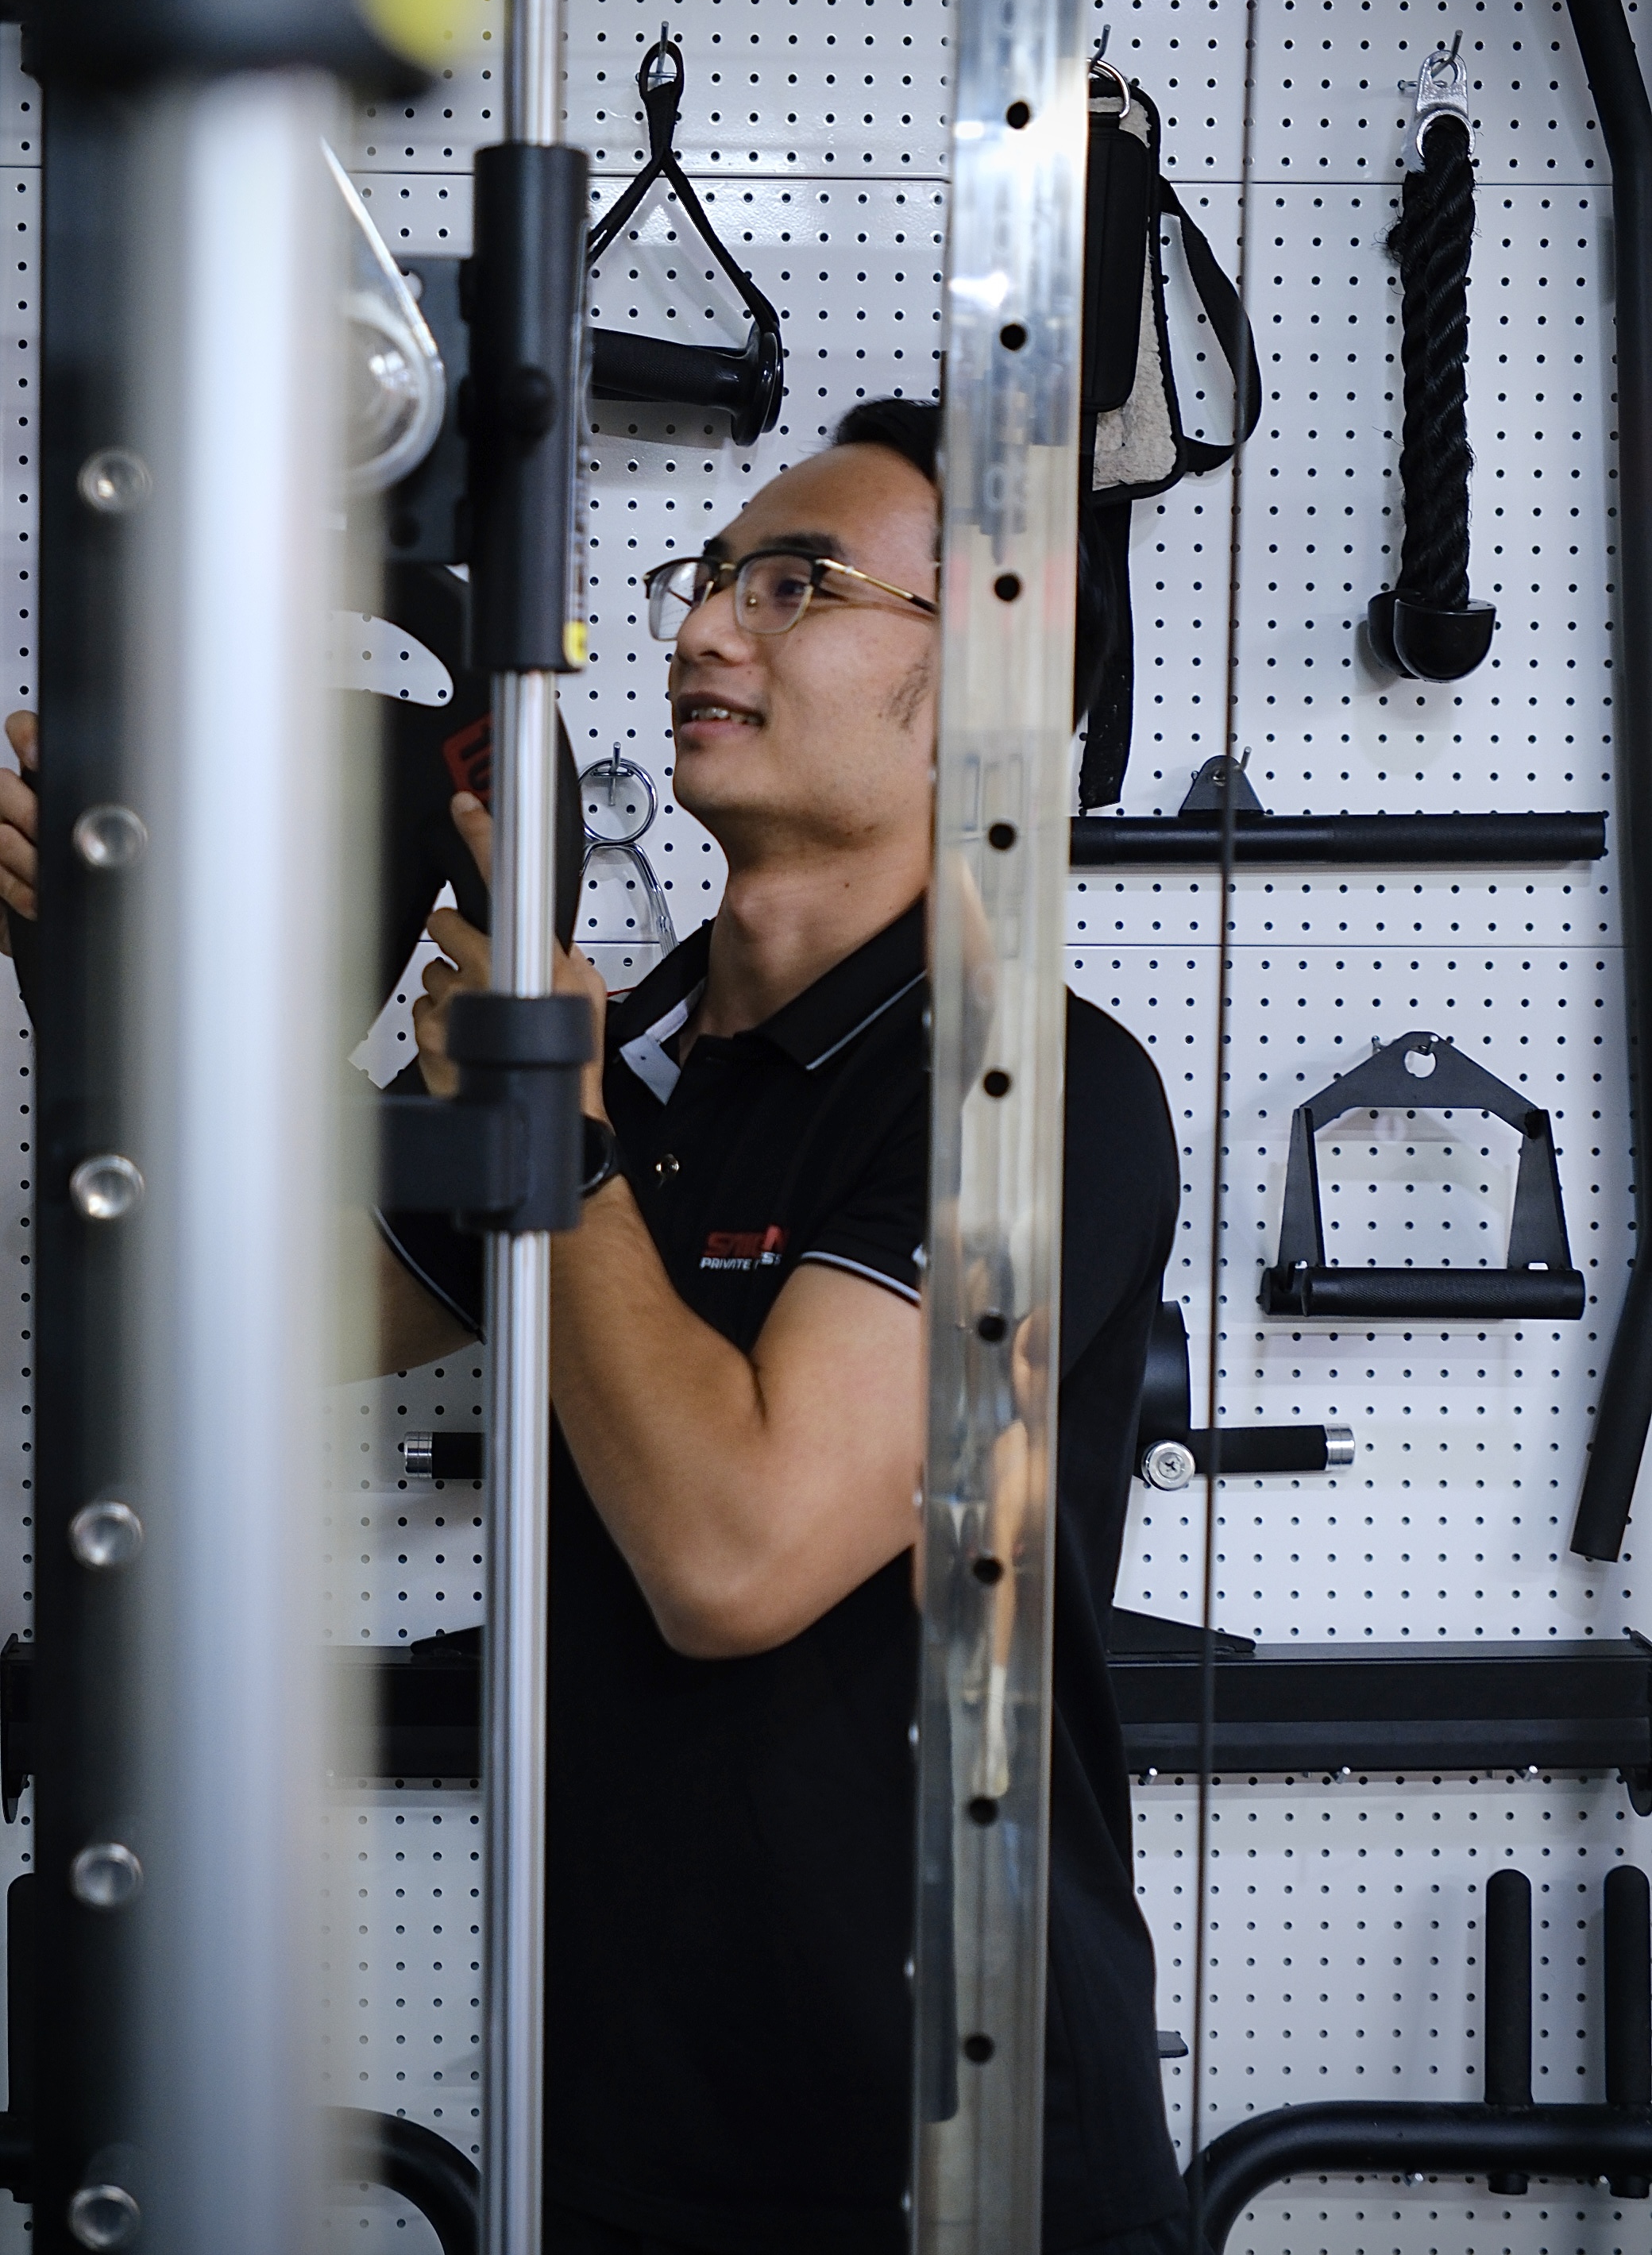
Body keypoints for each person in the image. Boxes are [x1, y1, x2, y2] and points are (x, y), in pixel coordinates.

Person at [0, 401, 1192, 2254]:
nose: (704, 631)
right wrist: (112, 997)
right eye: (707, 579)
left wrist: (550, 1135)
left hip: (954, 2167)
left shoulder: (1034, 1087)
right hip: (611, 2137)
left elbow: (736, 1552)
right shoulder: (615, 1047)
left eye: (799, 586)